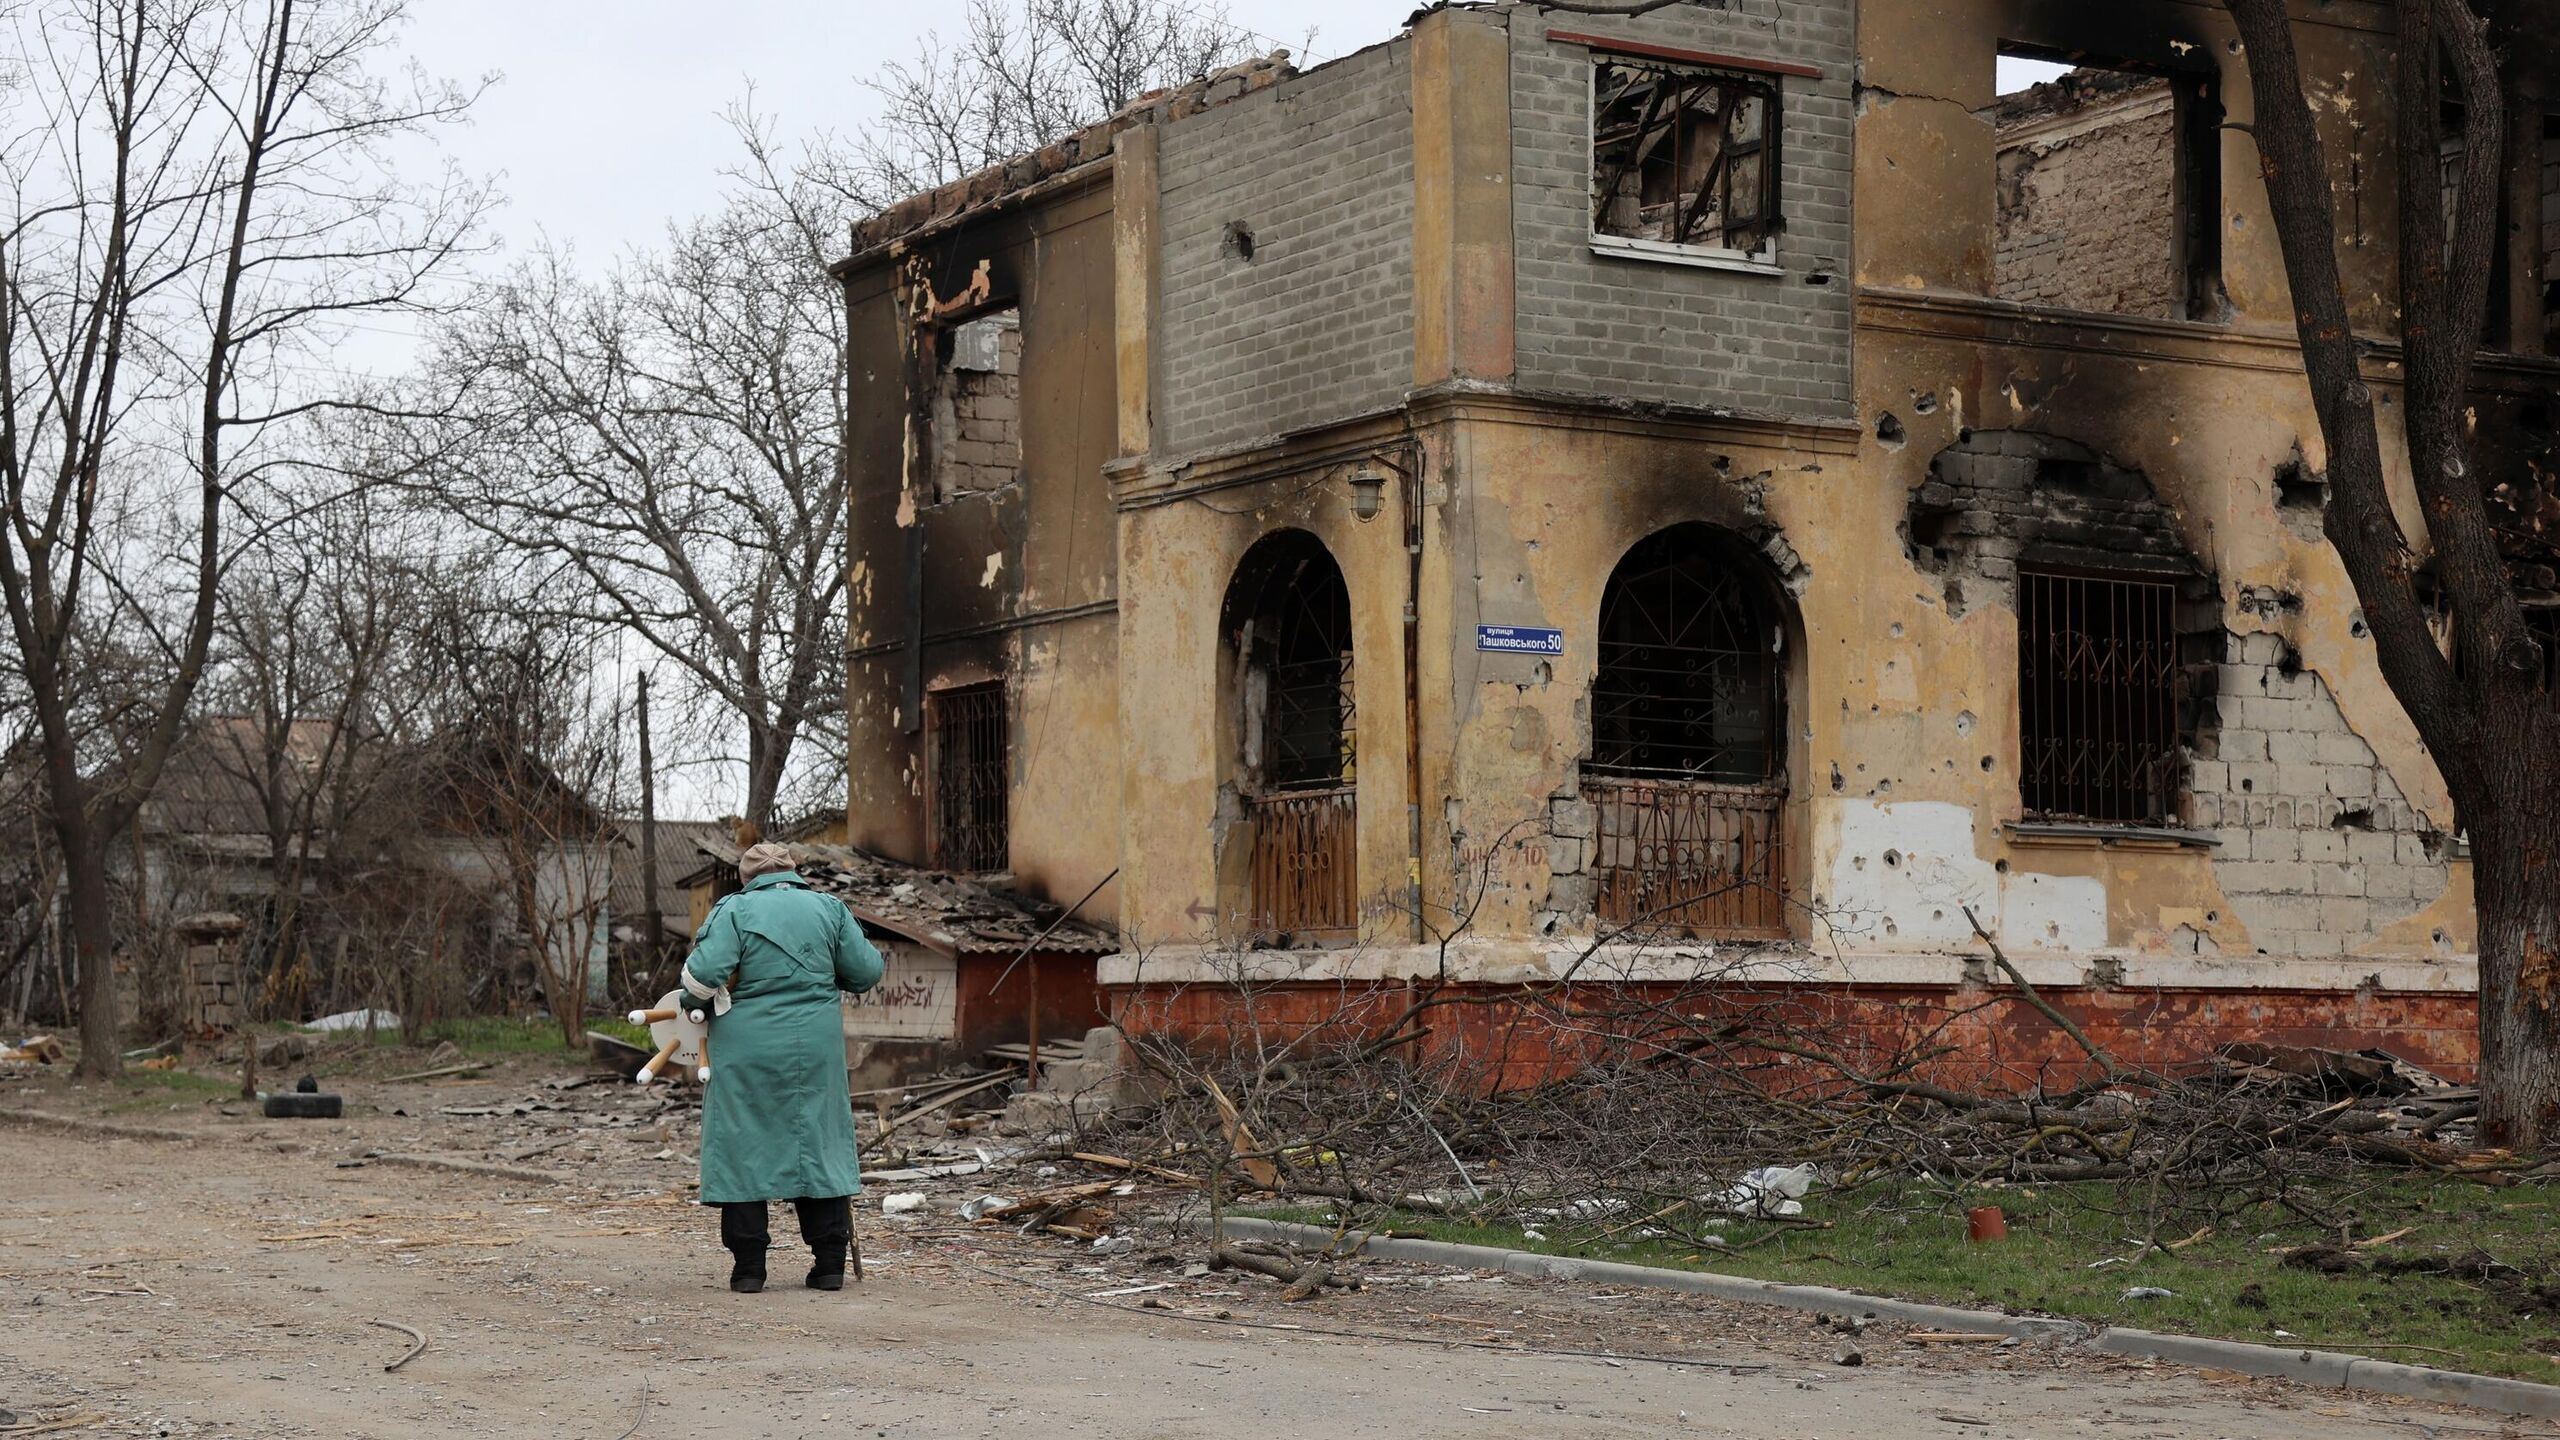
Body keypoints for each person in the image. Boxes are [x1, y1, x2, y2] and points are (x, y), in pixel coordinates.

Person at [679, 841, 884, 1292]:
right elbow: (867, 972)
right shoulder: (829, 909)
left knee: (742, 1146)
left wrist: (690, 1003)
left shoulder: (734, 910)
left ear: (747, 878)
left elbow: (701, 977)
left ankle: (749, 1268)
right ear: (793, 872)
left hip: (744, 1052)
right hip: (816, 1050)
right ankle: (829, 1263)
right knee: (819, 1141)